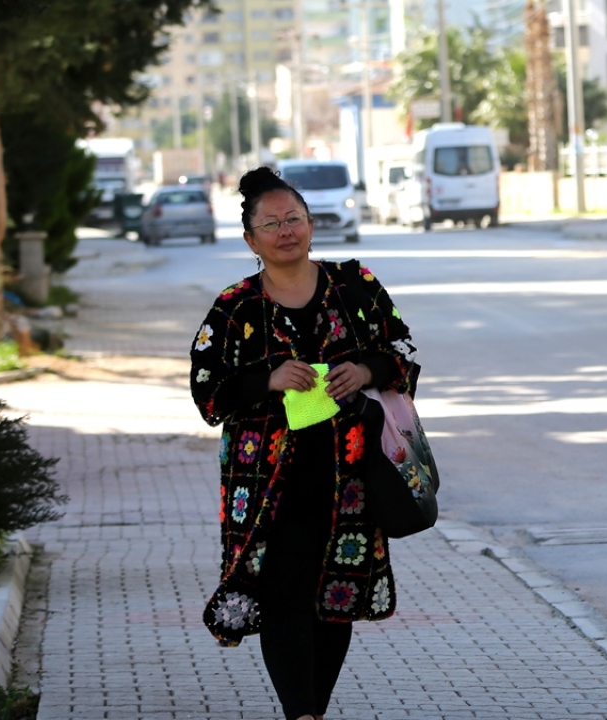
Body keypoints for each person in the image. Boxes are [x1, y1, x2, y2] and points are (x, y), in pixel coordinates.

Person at [190, 167, 417, 720]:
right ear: (251, 240)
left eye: (293, 218)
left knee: (335, 599)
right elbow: (207, 389)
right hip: (268, 486)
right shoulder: (235, 307)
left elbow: (403, 350)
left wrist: (365, 370)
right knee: (283, 598)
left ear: (311, 225)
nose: (285, 231)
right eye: (271, 224)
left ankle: (312, 710)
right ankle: (302, 714)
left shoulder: (355, 285)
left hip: (351, 478)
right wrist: (267, 379)